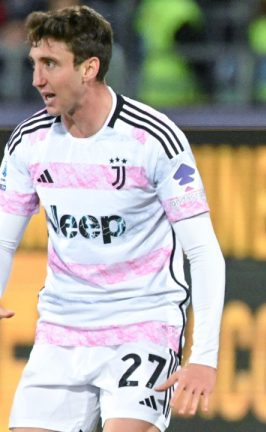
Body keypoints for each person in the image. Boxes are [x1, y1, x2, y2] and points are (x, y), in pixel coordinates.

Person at [0, 5, 225, 432]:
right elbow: (4, 237)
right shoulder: (30, 141)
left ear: (89, 68)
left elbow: (204, 252)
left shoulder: (153, 139)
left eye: (50, 64)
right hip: (61, 331)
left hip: (142, 325)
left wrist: (204, 357)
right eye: (34, 64)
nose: (36, 80)